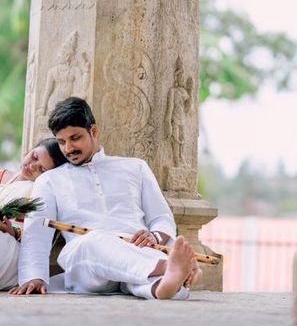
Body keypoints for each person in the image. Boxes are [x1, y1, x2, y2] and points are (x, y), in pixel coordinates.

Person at [12, 96, 201, 300]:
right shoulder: (50, 180)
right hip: (86, 263)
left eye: (75, 138)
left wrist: (154, 236)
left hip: (135, 250)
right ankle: (167, 267)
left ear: (94, 131)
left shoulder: (135, 167)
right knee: (92, 242)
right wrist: (34, 277)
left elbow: (162, 218)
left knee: (141, 274)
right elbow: (36, 231)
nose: (68, 148)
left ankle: (163, 286)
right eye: (61, 142)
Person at [0, 138, 67, 291]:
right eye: (34, 157)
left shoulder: (41, 193)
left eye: (42, 169)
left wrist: (11, 230)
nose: (31, 166)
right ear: (31, 149)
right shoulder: (3, 175)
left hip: (10, 251)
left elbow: (38, 237)